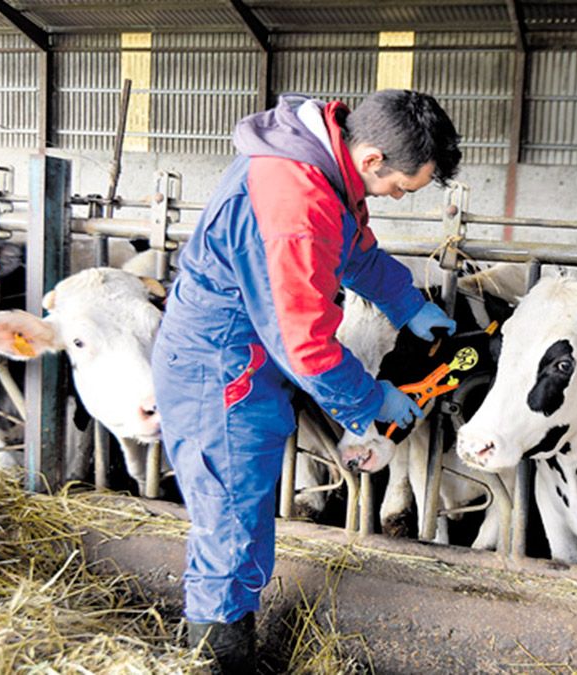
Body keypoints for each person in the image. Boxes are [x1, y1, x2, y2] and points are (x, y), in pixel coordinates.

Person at [150, 89, 462, 670]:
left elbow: (355, 249)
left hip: (249, 359)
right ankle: (216, 658)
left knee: (244, 513)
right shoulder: (297, 201)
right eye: (400, 186)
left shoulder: (319, 161)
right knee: (231, 522)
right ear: (371, 159)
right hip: (221, 371)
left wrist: (402, 301)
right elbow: (309, 347)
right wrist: (370, 402)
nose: (395, 196)